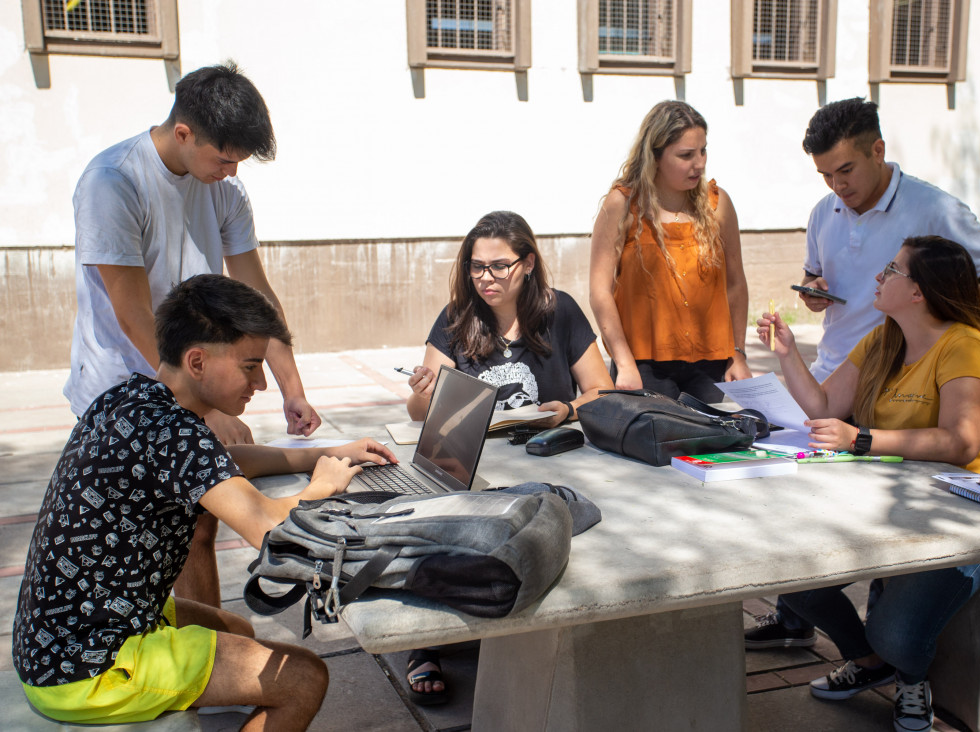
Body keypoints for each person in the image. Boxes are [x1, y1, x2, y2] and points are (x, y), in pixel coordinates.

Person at [12, 274, 398, 731]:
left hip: (57, 636)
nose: (260, 383)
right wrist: (321, 485)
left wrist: (324, 452)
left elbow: (224, 461)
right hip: (87, 666)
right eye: (250, 366)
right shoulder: (177, 432)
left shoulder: (130, 399)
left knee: (235, 631)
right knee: (303, 678)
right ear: (197, 361)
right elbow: (270, 528)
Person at [749, 96, 980, 651]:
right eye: (825, 175)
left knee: (893, 623)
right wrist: (794, 336)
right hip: (857, 381)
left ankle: (887, 652)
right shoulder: (831, 224)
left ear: (878, 151)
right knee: (788, 552)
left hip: (932, 451)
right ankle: (841, 639)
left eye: (845, 170)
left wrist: (945, 341)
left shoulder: (934, 214)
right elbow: (825, 398)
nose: (836, 185)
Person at [756, 236, 980, 732]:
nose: (879, 277)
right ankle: (871, 663)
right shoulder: (884, 336)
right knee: (793, 581)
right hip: (894, 502)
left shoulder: (966, 345)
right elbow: (823, 408)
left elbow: (962, 443)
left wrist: (863, 439)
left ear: (919, 292)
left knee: (895, 632)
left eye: (892, 270)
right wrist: (788, 354)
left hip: (975, 513)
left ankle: (910, 678)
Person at [403, 210, 613, 703]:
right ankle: (425, 642)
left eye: (498, 266)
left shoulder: (561, 312)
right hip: (478, 463)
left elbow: (602, 391)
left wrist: (568, 408)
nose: (486, 278)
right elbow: (418, 412)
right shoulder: (457, 317)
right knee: (443, 522)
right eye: (476, 267)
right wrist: (424, 390)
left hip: (547, 457)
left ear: (528, 263)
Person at [63, 61, 320, 448]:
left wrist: (293, 390)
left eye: (239, 162)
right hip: (121, 395)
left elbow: (259, 300)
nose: (232, 172)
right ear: (183, 134)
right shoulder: (113, 182)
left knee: (212, 500)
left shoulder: (227, 191)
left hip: (193, 390)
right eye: (223, 160)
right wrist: (208, 409)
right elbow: (134, 316)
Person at [589, 100, 751, 403]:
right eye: (686, 155)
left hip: (709, 365)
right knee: (655, 445)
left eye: (703, 150)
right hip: (643, 365)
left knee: (703, 448)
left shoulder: (719, 204)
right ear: (656, 156)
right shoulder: (622, 204)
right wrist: (623, 362)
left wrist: (738, 354)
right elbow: (600, 291)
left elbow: (735, 285)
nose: (699, 163)